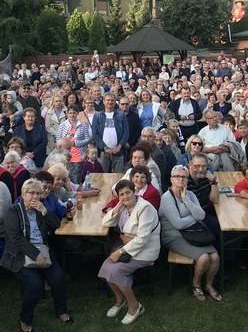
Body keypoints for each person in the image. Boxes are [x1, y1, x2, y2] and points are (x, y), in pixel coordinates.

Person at [0, 179, 72, 332]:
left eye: (38, 193)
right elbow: (16, 238)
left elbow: (56, 225)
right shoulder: (14, 211)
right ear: (23, 194)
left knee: (58, 277)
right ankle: (25, 319)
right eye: (31, 193)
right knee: (35, 285)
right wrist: (35, 254)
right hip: (19, 254)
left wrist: (45, 211)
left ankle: (61, 311)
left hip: (42, 250)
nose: (34, 196)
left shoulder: (41, 209)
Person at [100, 179, 161, 324]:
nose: (125, 196)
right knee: (105, 267)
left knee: (116, 271)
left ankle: (135, 306)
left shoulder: (144, 208)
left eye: (128, 192)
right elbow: (106, 222)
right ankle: (121, 300)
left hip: (145, 249)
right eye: (121, 194)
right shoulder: (124, 206)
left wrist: (119, 253)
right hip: (128, 246)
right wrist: (119, 205)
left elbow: (142, 239)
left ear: (135, 192)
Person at [160, 165, 221, 303]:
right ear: (171, 179)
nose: (180, 179)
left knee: (215, 257)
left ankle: (209, 284)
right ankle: (196, 284)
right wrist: (195, 217)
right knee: (204, 258)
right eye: (177, 176)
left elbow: (202, 214)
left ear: (187, 179)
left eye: (184, 177)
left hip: (193, 233)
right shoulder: (167, 198)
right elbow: (178, 224)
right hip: (173, 236)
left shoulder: (190, 195)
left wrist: (186, 199)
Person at [91, 93, 129, 174]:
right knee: (102, 176)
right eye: (108, 100)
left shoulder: (121, 115)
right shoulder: (97, 116)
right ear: (104, 101)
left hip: (118, 151)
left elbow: (126, 132)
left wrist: (119, 146)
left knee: (118, 176)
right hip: (103, 152)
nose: (110, 102)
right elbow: (95, 133)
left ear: (115, 102)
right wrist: (104, 148)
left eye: (112, 100)